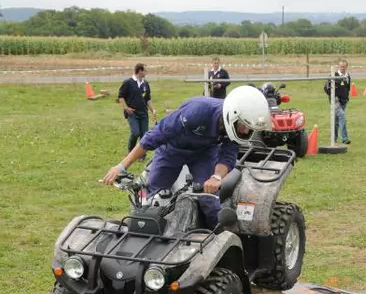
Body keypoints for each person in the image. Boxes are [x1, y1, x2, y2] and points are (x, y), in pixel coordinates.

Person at [102, 86, 271, 228]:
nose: (245, 132)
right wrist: (122, 166)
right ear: (232, 115)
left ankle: (216, 238)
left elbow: (228, 154)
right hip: (172, 149)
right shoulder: (197, 112)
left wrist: (216, 177)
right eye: (243, 126)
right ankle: (147, 233)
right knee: (153, 196)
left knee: (209, 200)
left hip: (204, 153)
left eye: (249, 128)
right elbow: (155, 136)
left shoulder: (237, 128)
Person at [118, 63, 157, 155]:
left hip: (143, 113)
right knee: (135, 133)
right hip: (132, 113)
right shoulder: (128, 83)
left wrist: (153, 110)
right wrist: (126, 108)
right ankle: (131, 152)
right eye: (145, 71)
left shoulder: (145, 84)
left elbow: (147, 99)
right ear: (140, 71)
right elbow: (121, 97)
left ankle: (141, 155)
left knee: (144, 136)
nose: (146, 72)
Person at [323, 58, 351, 145]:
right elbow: (326, 88)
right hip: (335, 101)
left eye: (344, 66)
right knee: (342, 116)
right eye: (341, 66)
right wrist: (333, 97)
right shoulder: (333, 75)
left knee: (336, 121)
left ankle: (334, 139)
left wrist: (346, 98)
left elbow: (348, 88)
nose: (342, 68)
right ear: (338, 67)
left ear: (346, 67)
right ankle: (344, 138)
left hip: (344, 101)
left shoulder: (347, 76)